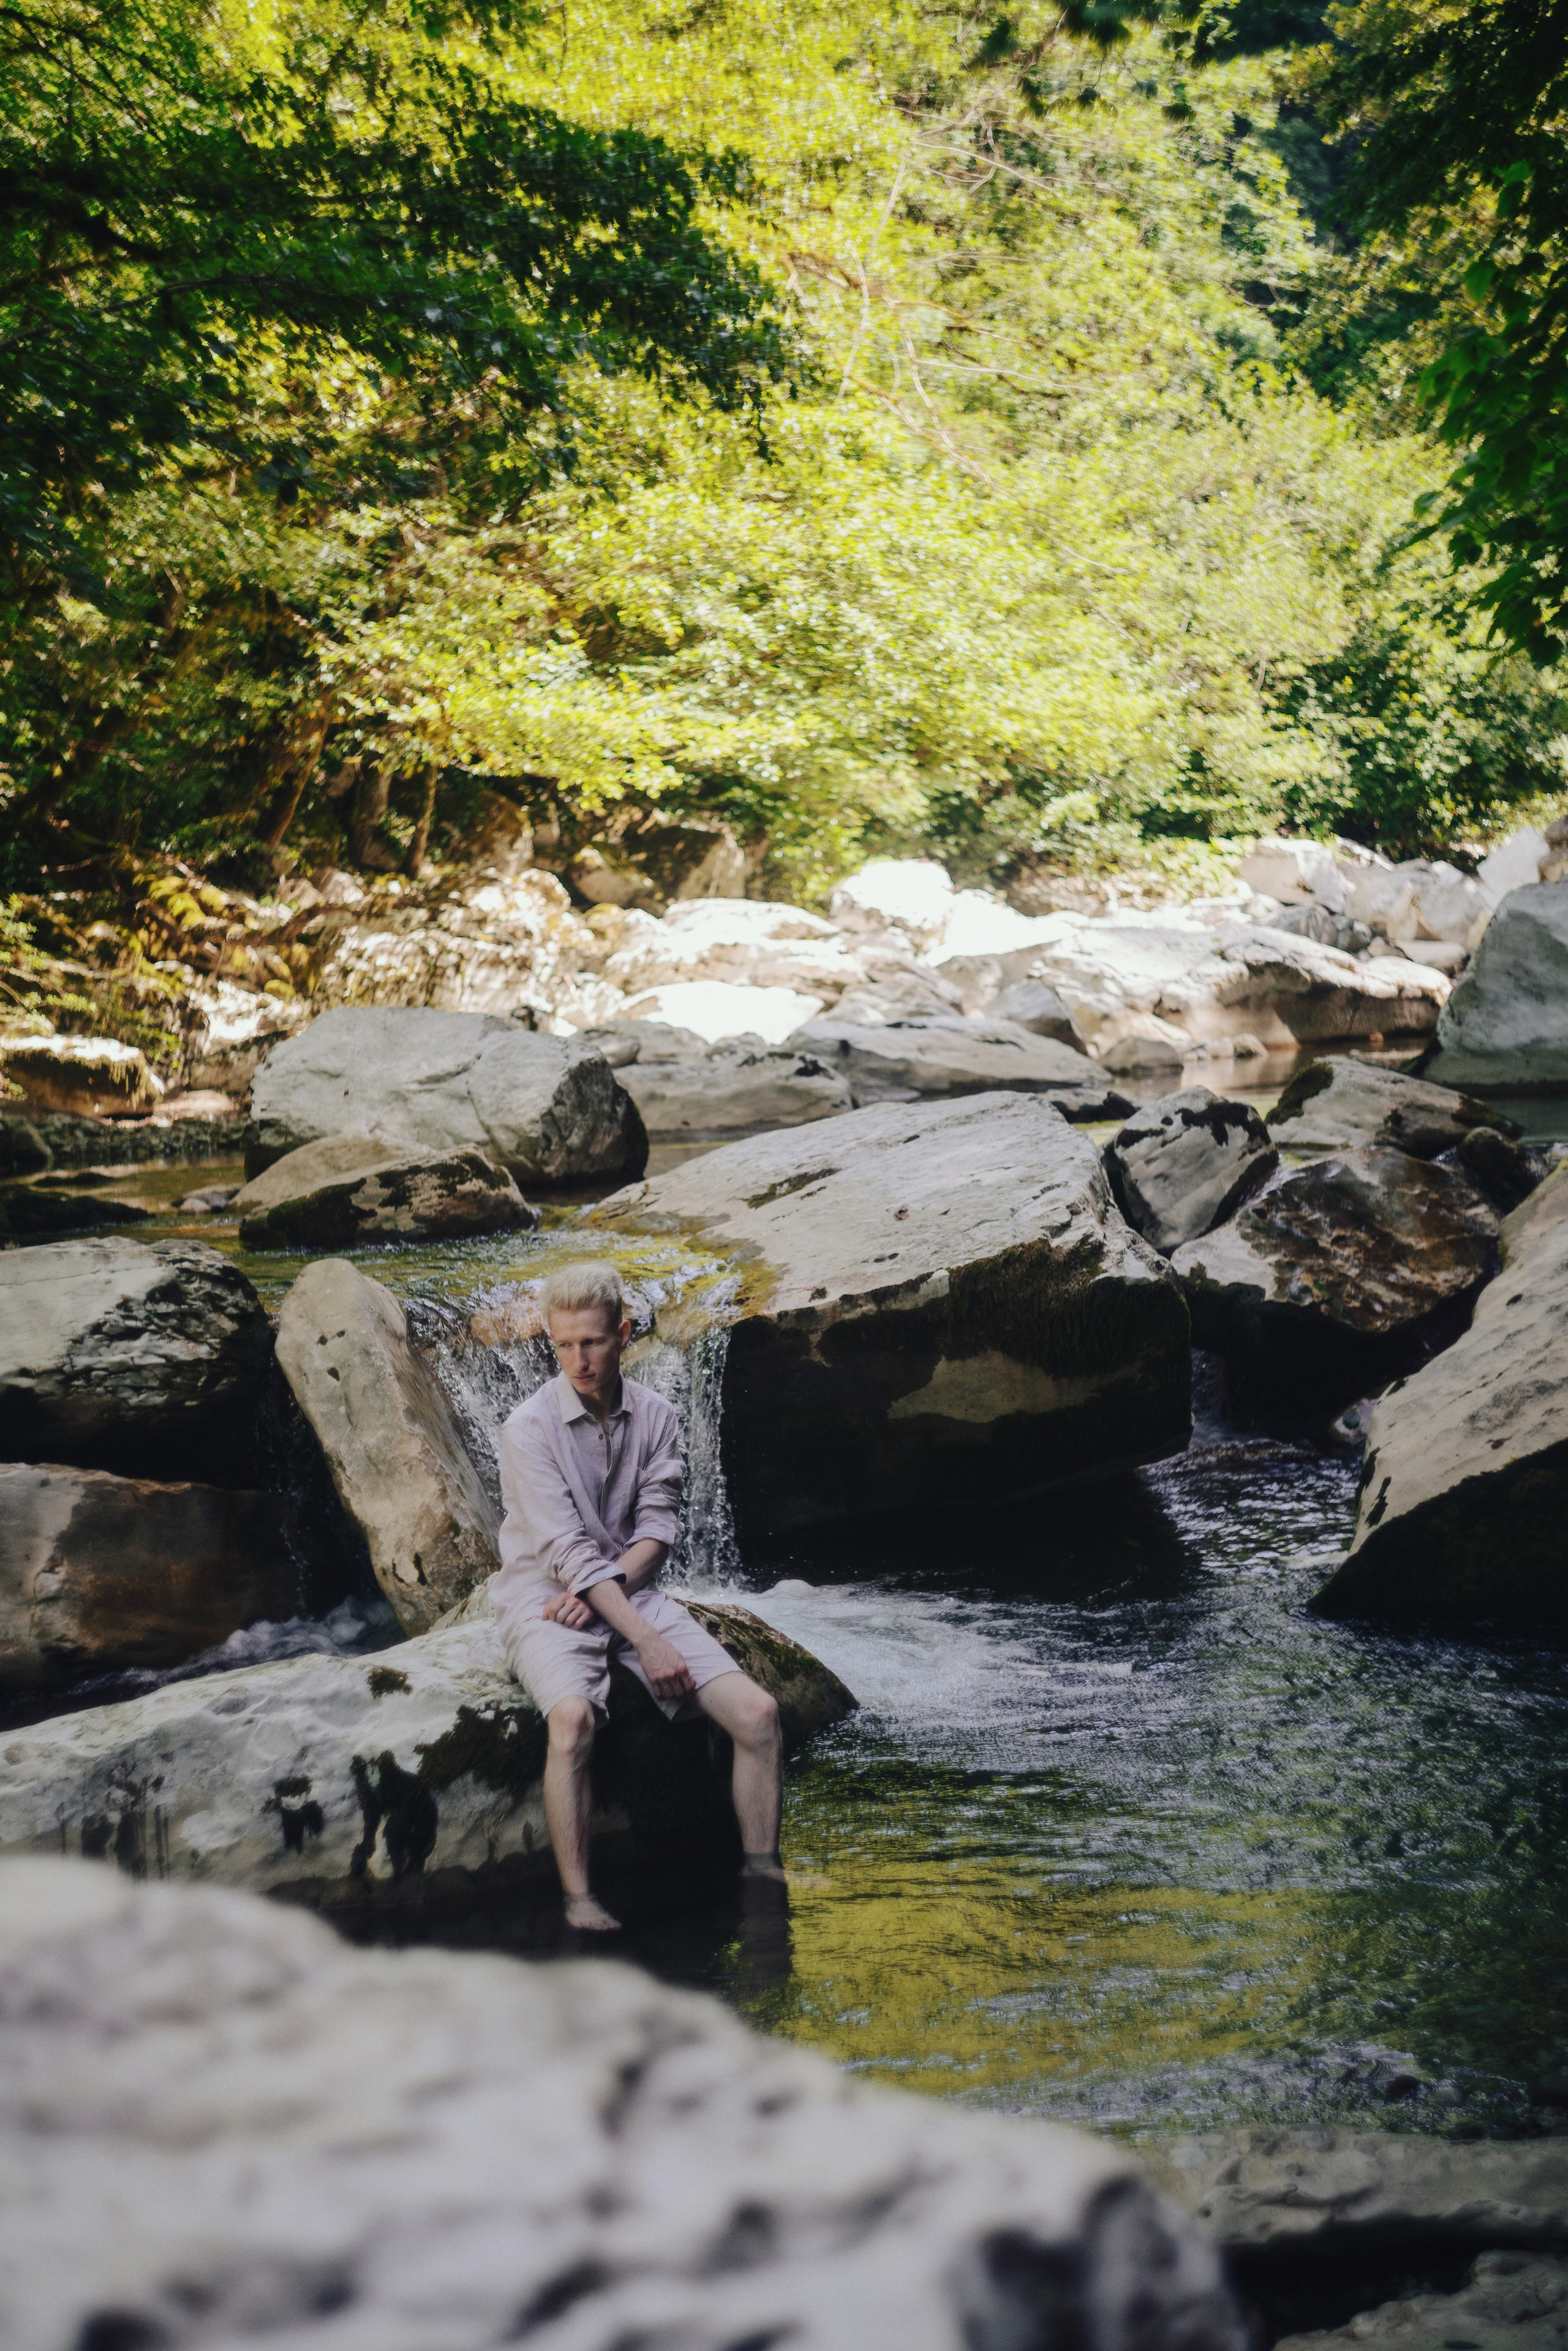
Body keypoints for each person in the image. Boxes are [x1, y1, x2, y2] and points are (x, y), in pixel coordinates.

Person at [492, 1259, 783, 1932]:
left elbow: (659, 1532)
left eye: (591, 1341)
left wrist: (611, 1598)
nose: (578, 1359)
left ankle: (762, 1874)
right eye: (563, 1345)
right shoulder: (526, 1429)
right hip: (544, 1599)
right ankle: (578, 1899)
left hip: (624, 1586)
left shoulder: (657, 1416)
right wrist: (642, 1637)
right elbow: (564, 1555)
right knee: (570, 1723)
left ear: (622, 1333)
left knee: (760, 1715)